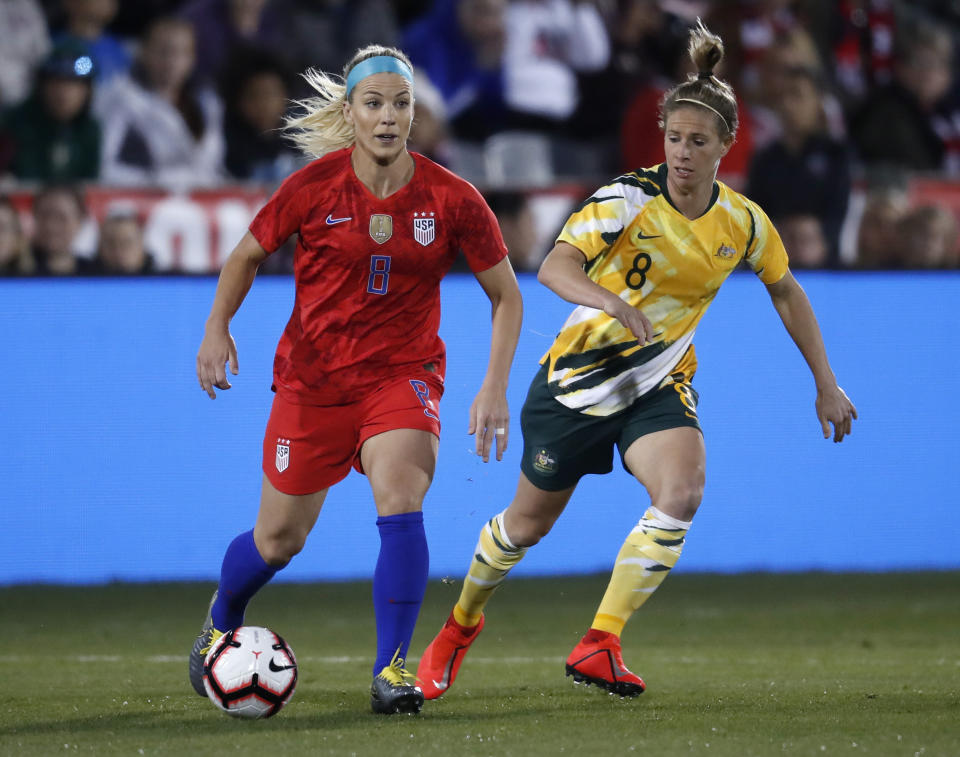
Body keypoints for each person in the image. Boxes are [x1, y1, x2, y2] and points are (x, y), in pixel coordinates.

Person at [417, 20, 857, 701]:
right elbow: (554, 268)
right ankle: (458, 625)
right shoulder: (627, 199)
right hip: (577, 383)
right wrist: (611, 303)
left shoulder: (743, 223)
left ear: (725, 147)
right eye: (675, 139)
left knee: (682, 491)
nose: (682, 153)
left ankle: (601, 640)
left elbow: (787, 290)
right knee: (524, 526)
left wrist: (825, 383)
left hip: (657, 384)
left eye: (698, 142)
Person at [189, 44, 523, 716]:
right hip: (312, 383)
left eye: (401, 103)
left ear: (413, 113)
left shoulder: (453, 198)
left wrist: (494, 384)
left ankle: (392, 669)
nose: (389, 115)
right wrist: (217, 327)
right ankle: (220, 619)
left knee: (400, 493)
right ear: (351, 112)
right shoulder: (311, 188)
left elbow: (507, 296)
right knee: (277, 540)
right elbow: (248, 254)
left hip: (403, 376)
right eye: (374, 103)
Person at [94, 16, 224, 188]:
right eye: (163, 51)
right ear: (144, 52)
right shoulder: (121, 99)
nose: (172, 61)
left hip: (203, 201)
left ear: (192, 59)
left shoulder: (208, 103)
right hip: (142, 202)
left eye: (182, 52)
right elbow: (103, 168)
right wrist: (154, 181)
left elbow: (214, 165)